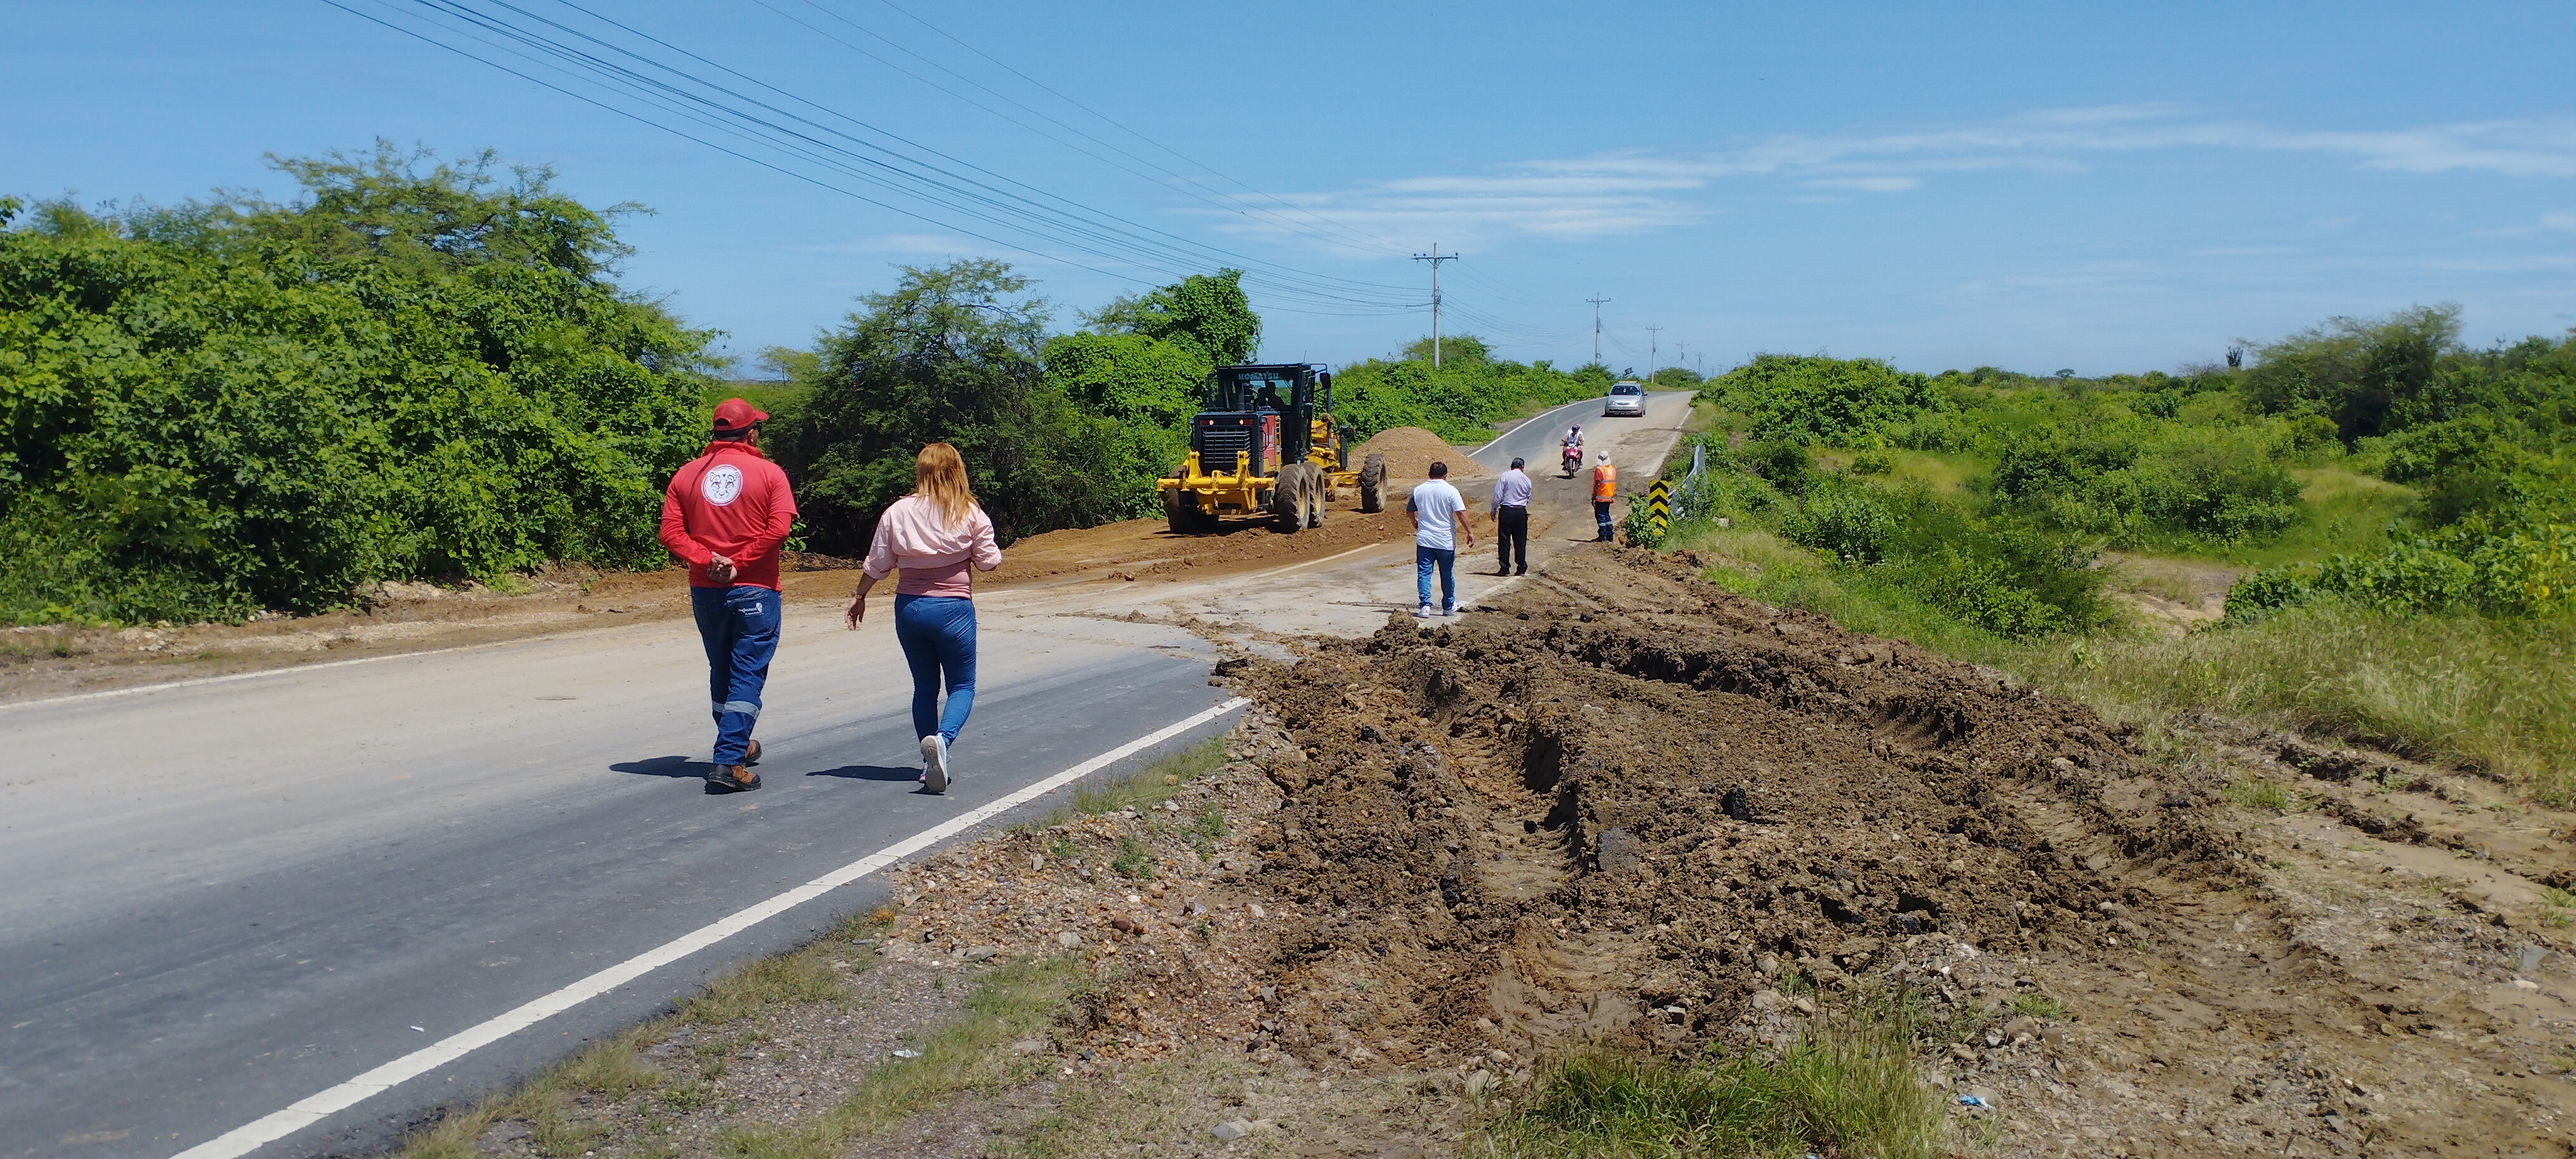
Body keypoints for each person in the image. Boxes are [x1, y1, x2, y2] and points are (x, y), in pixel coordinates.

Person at [844, 443, 1002, 795]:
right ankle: (942, 741)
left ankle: (929, 763)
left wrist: (859, 597)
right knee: (962, 686)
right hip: (954, 610)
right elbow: (989, 562)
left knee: (925, 688)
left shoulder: (897, 512)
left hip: (910, 609)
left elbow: (878, 564)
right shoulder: (969, 512)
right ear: (957, 471)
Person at [659, 398, 797, 794]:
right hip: (756, 589)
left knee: (722, 669)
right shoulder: (770, 474)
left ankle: (738, 742)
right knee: (747, 673)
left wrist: (709, 560)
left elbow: (671, 533)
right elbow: (778, 529)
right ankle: (729, 761)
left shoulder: (686, 475)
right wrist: (739, 563)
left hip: (707, 591)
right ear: (751, 434)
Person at [1407, 460, 1473, 617]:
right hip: (1445, 541)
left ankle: (1425, 606)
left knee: (1424, 573)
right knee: (1447, 574)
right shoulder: (1450, 491)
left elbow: (1409, 510)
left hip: (1425, 541)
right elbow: (1461, 513)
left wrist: (1414, 521)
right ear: (1445, 476)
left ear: (1429, 474)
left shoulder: (1419, 490)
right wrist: (1470, 532)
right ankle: (1448, 606)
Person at [1490, 456, 1532, 576]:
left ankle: (1504, 568)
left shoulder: (1505, 476)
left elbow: (1498, 494)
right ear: (1523, 467)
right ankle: (1521, 567)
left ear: (1511, 467)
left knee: (1504, 539)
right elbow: (1528, 497)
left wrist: (1494, 509)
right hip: (1521, 511)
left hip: (1507, 511)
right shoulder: (1527, 480)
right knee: (1520, 540)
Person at [1591, 451, 1618, 542]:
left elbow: (1597, 485)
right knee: (1606, 515)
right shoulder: (1612, 469)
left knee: (1601, 516)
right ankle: (1610, 535)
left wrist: (1594, 497)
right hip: (1609, 496)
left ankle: (1602, 536)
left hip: (1601, 496)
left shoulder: (1599, 470)